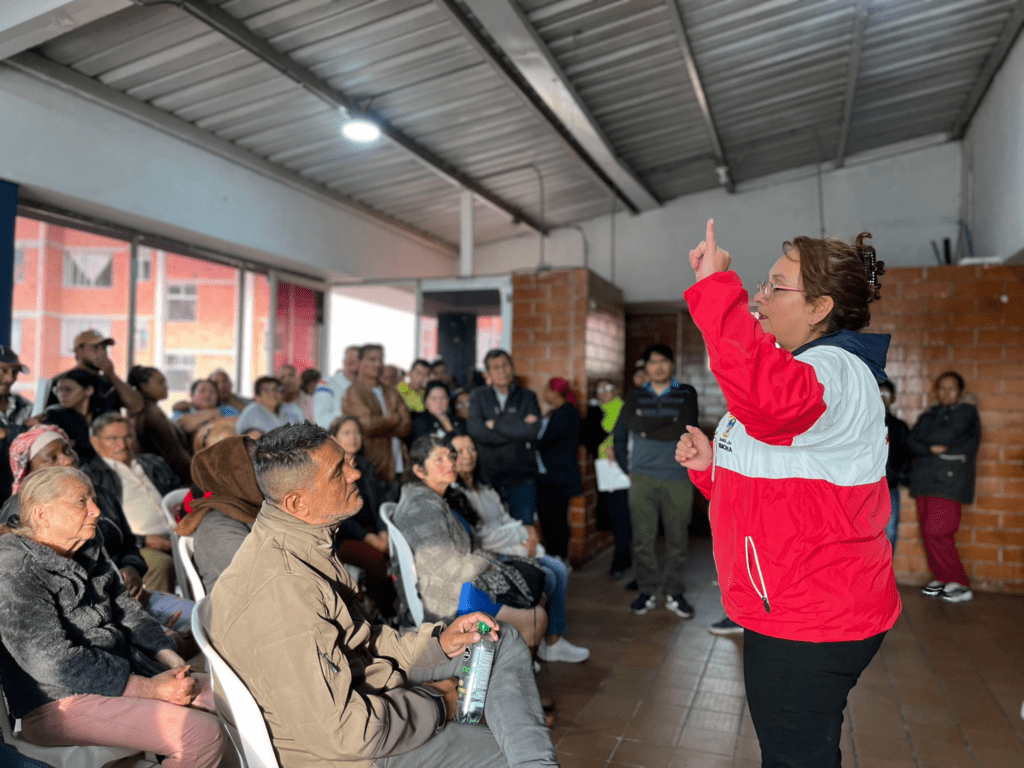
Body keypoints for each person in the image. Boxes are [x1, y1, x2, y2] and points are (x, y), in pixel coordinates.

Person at [675, 219, 900, 767]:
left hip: (810, 613)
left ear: (819, 308)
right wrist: (710, 469)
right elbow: (778, 481)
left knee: (794, 758)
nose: (760, 296)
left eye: (776, 287)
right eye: (763, 284)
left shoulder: (835, 369)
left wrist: (716, 290)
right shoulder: (804, 367)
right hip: (798, 602)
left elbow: (769, 403)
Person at [208, 424, 557, 768]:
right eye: (338, 472)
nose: (355, 474)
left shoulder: (302, 541)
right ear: (298, 502)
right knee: (507, 751)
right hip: (349, 754)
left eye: (347, 462)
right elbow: (345, 733)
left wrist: (438, 643)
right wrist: (439, 703)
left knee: (496, 637)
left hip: (365, 690)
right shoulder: (282, 592)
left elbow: (359, 641)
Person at [0, 467, 226, 767]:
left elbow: (126, 609)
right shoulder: (15, 567)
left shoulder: (87, 546)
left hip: (127, 675)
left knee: (227, 702)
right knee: (199, 735)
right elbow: (51, 661)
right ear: (42, 515)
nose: (96, 510)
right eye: (81, 502)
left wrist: (170, 659)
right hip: (58, 702)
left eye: (93, 499)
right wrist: (149, 688)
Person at [3, 426, 193, 635]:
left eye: (67, 450)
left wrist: (132, 568)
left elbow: (128, 543)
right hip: (87, 620)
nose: (67, 460)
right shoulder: (20, 512)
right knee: (169, 639)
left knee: (200, 617)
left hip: (130, 598)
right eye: (52, 458)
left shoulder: (98, 493)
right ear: (29, 471)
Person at [393, 436, 548, 650]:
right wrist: (487, 561)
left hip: (459, 586)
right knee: (536, 617)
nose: (450, 463)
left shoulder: (436, 498)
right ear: (420, 471)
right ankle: (506, 666)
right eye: (439, 459)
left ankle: (509, 662)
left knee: (536, 594)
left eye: (450, 456)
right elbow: (448, 568)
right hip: (447, 601)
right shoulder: (422, 508)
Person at [450, 432, 589, 664]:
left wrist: (527, 534)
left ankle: (551, 642)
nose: (468, 455)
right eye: (459, 451)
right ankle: (532, 641)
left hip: (512, 547)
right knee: (547, 576)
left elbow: (505, 519)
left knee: (558, 567)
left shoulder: (484, 487)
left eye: (471, 449)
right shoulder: (457, 495)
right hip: (496, 554)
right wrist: (525, 534)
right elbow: (483, 537)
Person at [613, 343, 699, 618]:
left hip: (678, 476)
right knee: (642, 540)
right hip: (642, 477)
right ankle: (647, 590)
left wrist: (646, 427)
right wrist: (628, 468)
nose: (658, 366)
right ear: (646, 367)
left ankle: (674, 592)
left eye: (663, 361)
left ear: (672, 364)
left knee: (678, 540)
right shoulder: (635, 395)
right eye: (652, 362)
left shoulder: (686, 393)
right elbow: (623, 433)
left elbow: (686, 427)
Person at [82, 412, 184, 594]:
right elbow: (103, 528)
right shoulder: (91, 477)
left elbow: (180, 494)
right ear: (95, 442)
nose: (122, 444)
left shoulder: (153, 463)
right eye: (113, 439)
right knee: (160, 565)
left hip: (179, 533)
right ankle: (164, 612)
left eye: (128, 437)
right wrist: (143, 540)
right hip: (137, 546)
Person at [907, 370, 981, 603]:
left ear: (961, 392)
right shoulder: (931, 414)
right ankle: (942, 577)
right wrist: (930, 448)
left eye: (951, 388)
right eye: (941, 388)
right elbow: (911, 441)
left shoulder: (966, 413)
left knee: (939, 531)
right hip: (925, 480)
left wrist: (926, 442)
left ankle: (960, 582)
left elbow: (947, 434)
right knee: (928, 533)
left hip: (950, 482)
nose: (946, 393)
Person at [330, 415, 398, 620]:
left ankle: (394, 607)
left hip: (372, 530)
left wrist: (383, 532)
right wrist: (371, 539)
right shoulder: (330, 470)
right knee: (375, 558)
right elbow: (340, 516)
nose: (353, 437)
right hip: (343, 536)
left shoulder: (365, 465)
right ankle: (387, 613)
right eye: (347, 433)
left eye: (357, 432)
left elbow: (380, 503)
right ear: (334, 439)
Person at [175, 435, 262, 592]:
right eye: (258, 465)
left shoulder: (255, 508)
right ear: (232, 477)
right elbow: (259, 580)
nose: (271, 472)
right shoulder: (215, 529)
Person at [467, 350, 541, 525]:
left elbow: (531, 431)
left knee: (524, 532)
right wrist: (516, 430)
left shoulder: (527, 396)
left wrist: (495, 424)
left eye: (505, 365)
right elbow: (476, 430)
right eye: (496, 367)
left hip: (522, 479)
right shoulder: (478, 396)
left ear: (512, 368)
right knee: (493, 532)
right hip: (488, 478)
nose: (502, 371)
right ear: (487, 374)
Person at [343, 344, 412, 483]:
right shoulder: (353, 392)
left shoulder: (391, 392)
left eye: (381, 360)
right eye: (372, 359)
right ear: (360, 362)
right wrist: (394, 420)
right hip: (371, 466)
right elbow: (367, 425)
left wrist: (380, 425)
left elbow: (407, 426)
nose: (378, 364)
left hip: (398, 465)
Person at [584, 379, 631, 579]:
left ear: (616, 390)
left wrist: (616, 450)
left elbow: (628, 436)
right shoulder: (596, 412)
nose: (603, 392)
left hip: (623, 468)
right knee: (615, 515)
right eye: (599, 389)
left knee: (621, 516)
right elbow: (591, 438)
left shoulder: (623, 409)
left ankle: (619, 562)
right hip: (605, 470)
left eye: (607, 388)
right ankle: (625, 556)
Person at [535, 378, 583, 563]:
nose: (544, 393)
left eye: (547, 389)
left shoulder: (565, 413)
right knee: (550, 519)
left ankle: (559, 559)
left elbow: (544, 441)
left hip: (556, 477)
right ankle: (556, 558)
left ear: (555, 392)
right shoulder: (560, 412)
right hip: (551, 476)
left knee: (555, 520)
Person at [46, 330, 143, 415]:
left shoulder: (109, 381)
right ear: (78, 351)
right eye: (95, 347)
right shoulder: (62, 381)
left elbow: (137, 406)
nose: (102, 353)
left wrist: (111, 375)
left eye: (104, 348)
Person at [128, 366, 193, 486]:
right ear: (143, 386)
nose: (166, 386)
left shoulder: (148, 410)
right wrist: (196, 475)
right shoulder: (151, 414)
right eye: (160, 382)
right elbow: (174, 454)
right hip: (169, 479)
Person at [44, 369, 112, 464]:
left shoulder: (104, 413)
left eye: (68, 389)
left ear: (88, 390)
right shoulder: (54, 414)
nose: (62, 394)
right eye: (58, 390)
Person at [0, 346, 35, 502]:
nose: (10, 379)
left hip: (17, 495)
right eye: (3, 370)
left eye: (14, 372)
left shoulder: (25, 405)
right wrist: (25, 430)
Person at [880, 380, 912, 550]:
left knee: (890, 532)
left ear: (892, 398)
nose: (882, 398)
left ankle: (886, 567)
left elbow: (907, 455)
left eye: (886, 394)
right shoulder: (861, 425)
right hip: (866, 488)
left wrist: (898, 475)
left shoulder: (899, 427)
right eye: (878, 394)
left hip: (890, 488)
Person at [235, 375, 306, 435]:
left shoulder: (292, 408)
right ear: (257, 397)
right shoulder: (251, 411)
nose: (272, 393)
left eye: (276, 389)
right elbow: (238, 436)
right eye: (266, 390)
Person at [173, 379, 239, 442]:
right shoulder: (182, 410)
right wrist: (214, 414)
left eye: (212, 392)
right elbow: (179, 425)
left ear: (217, 397)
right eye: (202, 391)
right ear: (192, 395)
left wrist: (195, 424)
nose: (207, 395)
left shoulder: (227, 409)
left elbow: (239, 424)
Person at [314, 344, 360, 428]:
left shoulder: (370, 386)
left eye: (359, 364)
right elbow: (320, 420)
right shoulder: (326, 384)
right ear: (344, 362)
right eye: (351, 363)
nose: (354, 368)